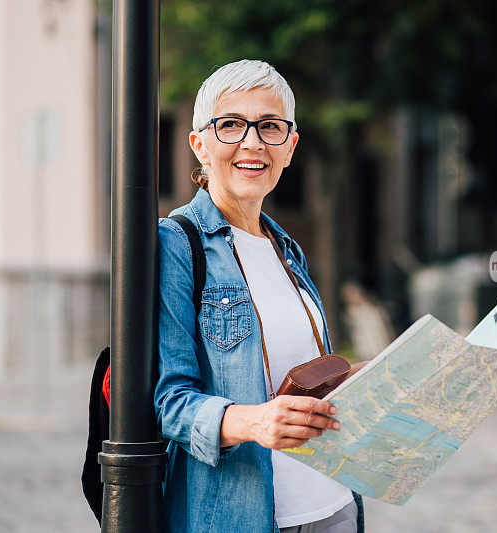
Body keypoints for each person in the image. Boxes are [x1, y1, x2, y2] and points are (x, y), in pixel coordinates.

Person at [156, 59, 367, 533]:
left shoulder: (285, 248)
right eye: (231, 125)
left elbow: (298, 377)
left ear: (289, 148)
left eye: (269, 127)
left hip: (334, 505)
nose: (252, 142)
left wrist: (361, 379)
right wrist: (252, 423)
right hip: (246, 516)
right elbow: (168, 403)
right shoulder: (175, 245)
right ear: (200, 145)